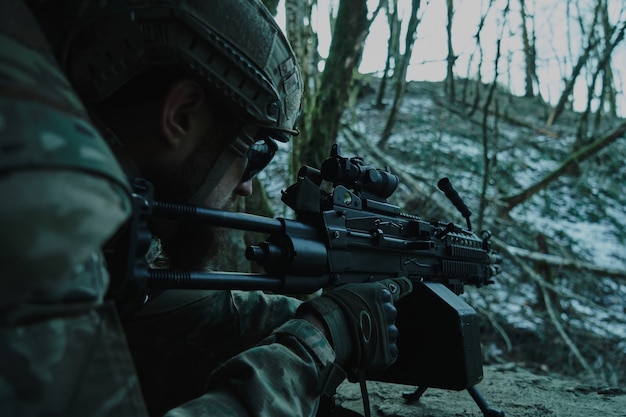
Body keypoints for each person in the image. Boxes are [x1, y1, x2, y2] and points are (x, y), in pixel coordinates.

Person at [3, 0, 414, 416]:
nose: (248, 186)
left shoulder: (81, 193)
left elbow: (138, 311)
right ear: (181, 115)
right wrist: (314, 345)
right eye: (255, 149)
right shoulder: (36, 217)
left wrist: (308, 316)